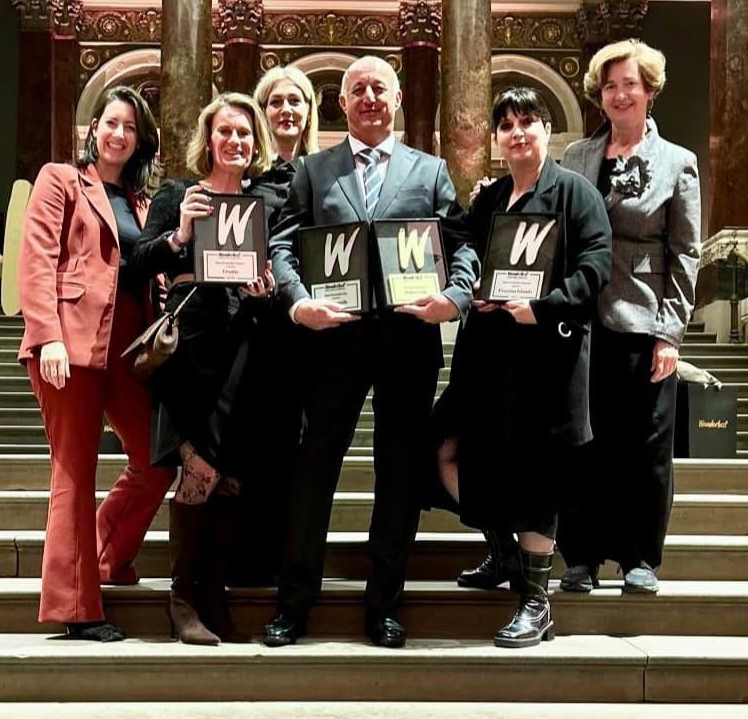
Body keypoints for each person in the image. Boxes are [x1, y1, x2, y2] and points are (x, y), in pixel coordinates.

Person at [262, 55, 479, 649]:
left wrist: (454, 297)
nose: (369, 98)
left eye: (379, 88)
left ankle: (384, 604)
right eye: (357, 89)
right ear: (342, 104)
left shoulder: (430, 171)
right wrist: (298, 302)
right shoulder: (313, 171)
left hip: (409, 341)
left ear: (398, 99)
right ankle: (293, 603)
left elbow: (461, 244)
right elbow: (282, 245)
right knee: (315, 471)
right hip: (331, 342)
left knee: (400, 475)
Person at [434, 88, 612, 647]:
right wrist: (465, 287)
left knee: (538, 476)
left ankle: (536, 602)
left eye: (528, 121)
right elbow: (462, 250)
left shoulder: (576, 193)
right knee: (447, 447)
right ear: (496, 138)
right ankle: (504, 553)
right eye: (507, 125)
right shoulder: (490, 199)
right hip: (486, 356)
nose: (517, 132)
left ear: (546, 130)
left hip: (547, 357)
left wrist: (542, 307)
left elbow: (596, 268)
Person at [17, 85, 176, 642]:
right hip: (71, 344)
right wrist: (47, 337)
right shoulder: (60, 179)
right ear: (93, 128)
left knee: (156, 461)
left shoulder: (141, 203)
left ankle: (104, 555)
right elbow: (37, 259)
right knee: (74, 472)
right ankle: (76, 607)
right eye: (111, 122)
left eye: (130, 127)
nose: (119, 134)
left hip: (130, 349)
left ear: (141, 140)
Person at [131, 91, 277, 644]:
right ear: (208, 139)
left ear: (255, 143)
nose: (235, 141)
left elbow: (274, 278)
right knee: (201, 471)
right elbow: (135, 263)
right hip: (190, 347)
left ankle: (214, 593)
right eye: (225, 131)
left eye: (244, 133)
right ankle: (182, 597)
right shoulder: (178, 194)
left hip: (243, 348)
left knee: (232, 476)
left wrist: (265, 291)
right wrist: (180, 235)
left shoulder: (262, 204)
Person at [556, 39, 701, 594]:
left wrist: (670, 333)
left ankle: (640, 557)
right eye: (610, 85)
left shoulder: (678, 162)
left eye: (630, 84)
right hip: (581, 319)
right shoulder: (576, 157)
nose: (620, 94)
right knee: (583, 443)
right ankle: (581, 557)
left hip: (644, 320)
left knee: (645, 447)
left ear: (650, 91)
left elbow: (685, 253)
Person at [224, 65, 321, 586]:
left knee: (301, 450)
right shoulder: (246, 182)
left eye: (295, 100)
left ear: (309, 112)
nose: (286, 110)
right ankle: (249, 561)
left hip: (311, 334)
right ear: (263, 112)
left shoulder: (326, 175)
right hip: (258, 330)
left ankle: (294, 561)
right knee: (257, 444)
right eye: (276, 101)